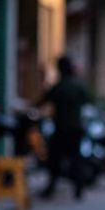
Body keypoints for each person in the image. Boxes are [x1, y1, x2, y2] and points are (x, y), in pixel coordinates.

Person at [38, 56, 91, 200]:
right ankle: (78, 188)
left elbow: (42, 102)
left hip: (61, 128)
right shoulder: (79, 86)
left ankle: (51, 187)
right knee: (76, 158)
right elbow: (89, 101)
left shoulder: (58, 87)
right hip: (76, 128)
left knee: (54, 159)